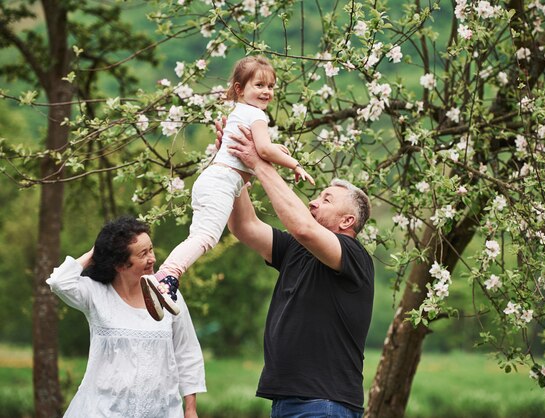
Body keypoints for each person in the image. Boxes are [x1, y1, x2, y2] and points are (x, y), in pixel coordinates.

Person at [141, 55, 314, 321]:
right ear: (239, 89)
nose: (267, 91)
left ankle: (167, 282)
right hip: (221, 183)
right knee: (205, 238)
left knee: (200, 235)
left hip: (214, 180)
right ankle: (166, 278)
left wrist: (273, 151)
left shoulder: (240, 112)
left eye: (271, 86)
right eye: (259, 85)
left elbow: (259, 151)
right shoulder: (256, 115)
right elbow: (263, 149)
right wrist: (295, 164)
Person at [223, 125, 374, 417]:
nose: (313, 202)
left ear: (347, 222)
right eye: (317, 196)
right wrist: (235, 168)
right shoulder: (296, 249)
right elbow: (245, 227)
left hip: (324, 404)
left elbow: (303, 227)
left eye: (326, 199)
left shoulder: (355, 256)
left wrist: (259, 163)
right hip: (287, 402)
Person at [46, 216, 206, 418]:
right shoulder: (96, 293)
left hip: (162, 411)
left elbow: (187, 351)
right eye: (143, 254)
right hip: (102, 410)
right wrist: (96, 252)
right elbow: (59, 282)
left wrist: (190, 409)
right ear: (120, 265)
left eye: (151, 249)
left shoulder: (167, 294)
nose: (153, 258)